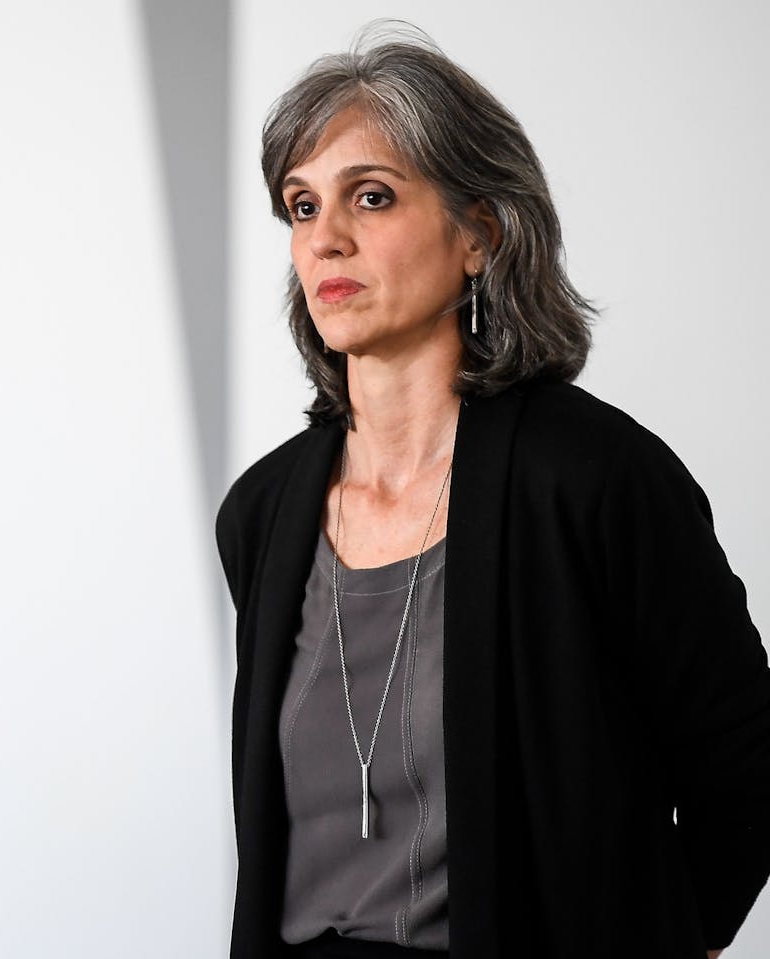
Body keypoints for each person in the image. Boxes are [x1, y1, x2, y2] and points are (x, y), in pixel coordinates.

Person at [216, 28, 770, 959]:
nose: (327, 238)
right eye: (302, 207)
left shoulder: (595, 480)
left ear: (480, 232)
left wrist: (666, 935)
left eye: (372, 196)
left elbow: (747, 759)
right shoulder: (263, 512)